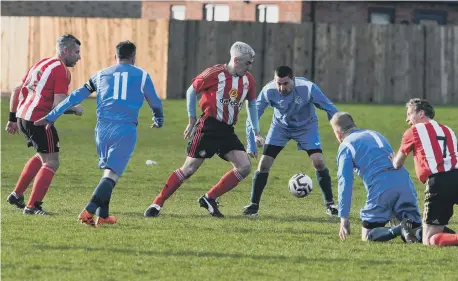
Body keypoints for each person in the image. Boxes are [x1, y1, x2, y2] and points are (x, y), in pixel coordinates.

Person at [35, 41, 164, 226]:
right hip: (125, 129)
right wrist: (158, 119)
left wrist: (52, 116)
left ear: (115, 57)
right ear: (133, 57)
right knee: (112, 174)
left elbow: (74, 96)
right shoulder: (142, 75)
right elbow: (156, 103)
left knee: (108, 172)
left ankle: (103, 215)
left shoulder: (100, 74)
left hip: (102, 130)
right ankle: (88, 211)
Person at [144, 41, 264, 218]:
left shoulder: (248, 80)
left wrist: (256, 132)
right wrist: (192, 120)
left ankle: (209, 198)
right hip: (208, 127)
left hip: (227, 131)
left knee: (244, 166)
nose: (250, 67)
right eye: (247, 63)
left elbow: (252, 104)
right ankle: (157, 203)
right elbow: (191, 92)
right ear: (236, 60)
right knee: (189, 169)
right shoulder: (214, 73)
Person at [243, 65, 338, 217]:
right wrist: (252, 142)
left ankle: (330, 205)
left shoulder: (307, 88)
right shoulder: (269, 91)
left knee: (318, 162)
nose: (281, 87)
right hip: (280, 127)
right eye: (278, 83)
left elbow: (330, 108)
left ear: (293, 80)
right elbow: (253, 115)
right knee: (264, 164)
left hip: (307, 127)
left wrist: (341, 133)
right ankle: (253, 205)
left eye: (285, 83)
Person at [5, 34, 82, 215]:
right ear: (66, 50)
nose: (79, 57)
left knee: (42, 157)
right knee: (52, 162)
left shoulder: (42, 63)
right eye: (77, 52)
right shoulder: (61, 70)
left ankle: (16, 195)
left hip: (24, 117)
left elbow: (17, 89)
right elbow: (59, 103)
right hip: (39, 120)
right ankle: (33, 207)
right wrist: (75, 109)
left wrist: (12, 118)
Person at [331, 112, 422, 242]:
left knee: (368, 237)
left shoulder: (346, 146)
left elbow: (345, 182)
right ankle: (431, 232)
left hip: (381, 188)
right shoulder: (376, 134)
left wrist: (344, 217)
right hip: (405, 182)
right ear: (354, 125)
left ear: (338, 133)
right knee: (417, 232)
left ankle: (398, 228)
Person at [392, 98, 458, 246]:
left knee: (429, 240)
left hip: (439, 183)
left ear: (421, 113)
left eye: (409, 114)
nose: (408, 119)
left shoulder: (414, 131)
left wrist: (393, 159)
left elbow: (397, 163)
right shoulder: (448, 130)